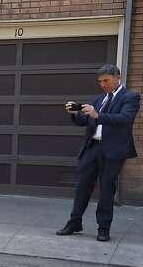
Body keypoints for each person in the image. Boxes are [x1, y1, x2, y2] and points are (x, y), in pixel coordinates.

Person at [56, 64, 139, 242]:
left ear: (118, 77)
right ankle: (74, 223)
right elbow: (85, 121)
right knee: (82, 188)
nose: (103, 84)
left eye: (106, 80)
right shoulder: (99, 99)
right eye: (100, 81)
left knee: (107, 190)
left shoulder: (130, 97)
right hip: (92, 148)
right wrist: (74, 113)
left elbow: (125, 119)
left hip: (113, 151)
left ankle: (103, 229)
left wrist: (97, 116)